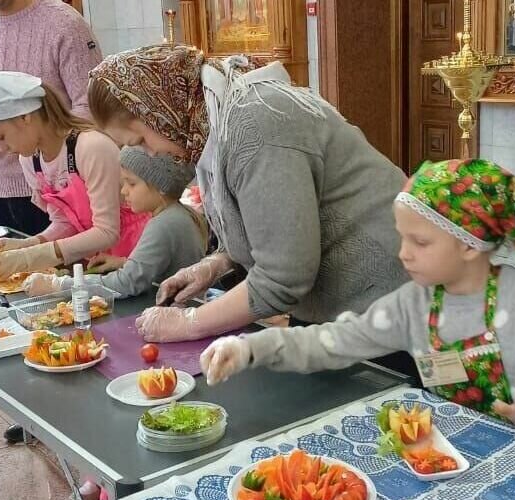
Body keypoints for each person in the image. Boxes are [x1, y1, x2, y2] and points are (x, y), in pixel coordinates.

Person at [199, 159, 515, 445]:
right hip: (448, 458)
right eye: (402, 238)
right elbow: (334, 342)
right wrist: (251, 347)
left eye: (421, 242)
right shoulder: (414, 305)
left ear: (469, 246)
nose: (403, 254)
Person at [86, 45, 407, 348]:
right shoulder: (214, 120)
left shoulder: (254, 125)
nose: (151, 153)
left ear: (159, 109)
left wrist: (189, 322)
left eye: (141, 139)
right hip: (336, 310)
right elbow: (268, 221)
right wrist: (215, 264)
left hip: (380, 301)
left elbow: (284, 276)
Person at [0, 0, 103, 236]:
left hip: (59, 185)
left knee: (64, 267)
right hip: (1, 185)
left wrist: (49, 156)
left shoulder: (64, 23)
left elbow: (92, 104)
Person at [0, 71, 122, 281]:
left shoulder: (91, 147)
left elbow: (107, 232)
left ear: (25, 116)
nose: (2, 148)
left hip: (130, 259)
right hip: (98, 266)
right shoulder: (31, 160)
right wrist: (29, 244)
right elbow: (65, 222)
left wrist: (33, 256)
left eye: (1, 137)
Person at [24, 146, 209, 298]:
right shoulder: (177, 215)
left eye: (132, 183)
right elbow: (160, 267)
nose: (123, 191)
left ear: (161, 187)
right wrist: (124, 262)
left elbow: (126, 284)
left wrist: (59, 285)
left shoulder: (163, 224)